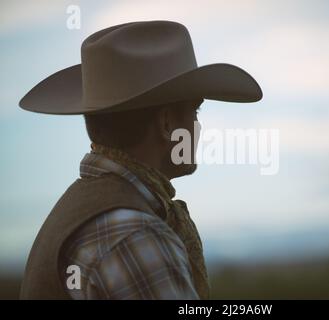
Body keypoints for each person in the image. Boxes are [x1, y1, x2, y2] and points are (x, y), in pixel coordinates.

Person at [19, 21, 262, 299]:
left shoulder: (81, 211)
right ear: (168, 123)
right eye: (195, 112)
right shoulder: (134, 234)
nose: (198, 128)